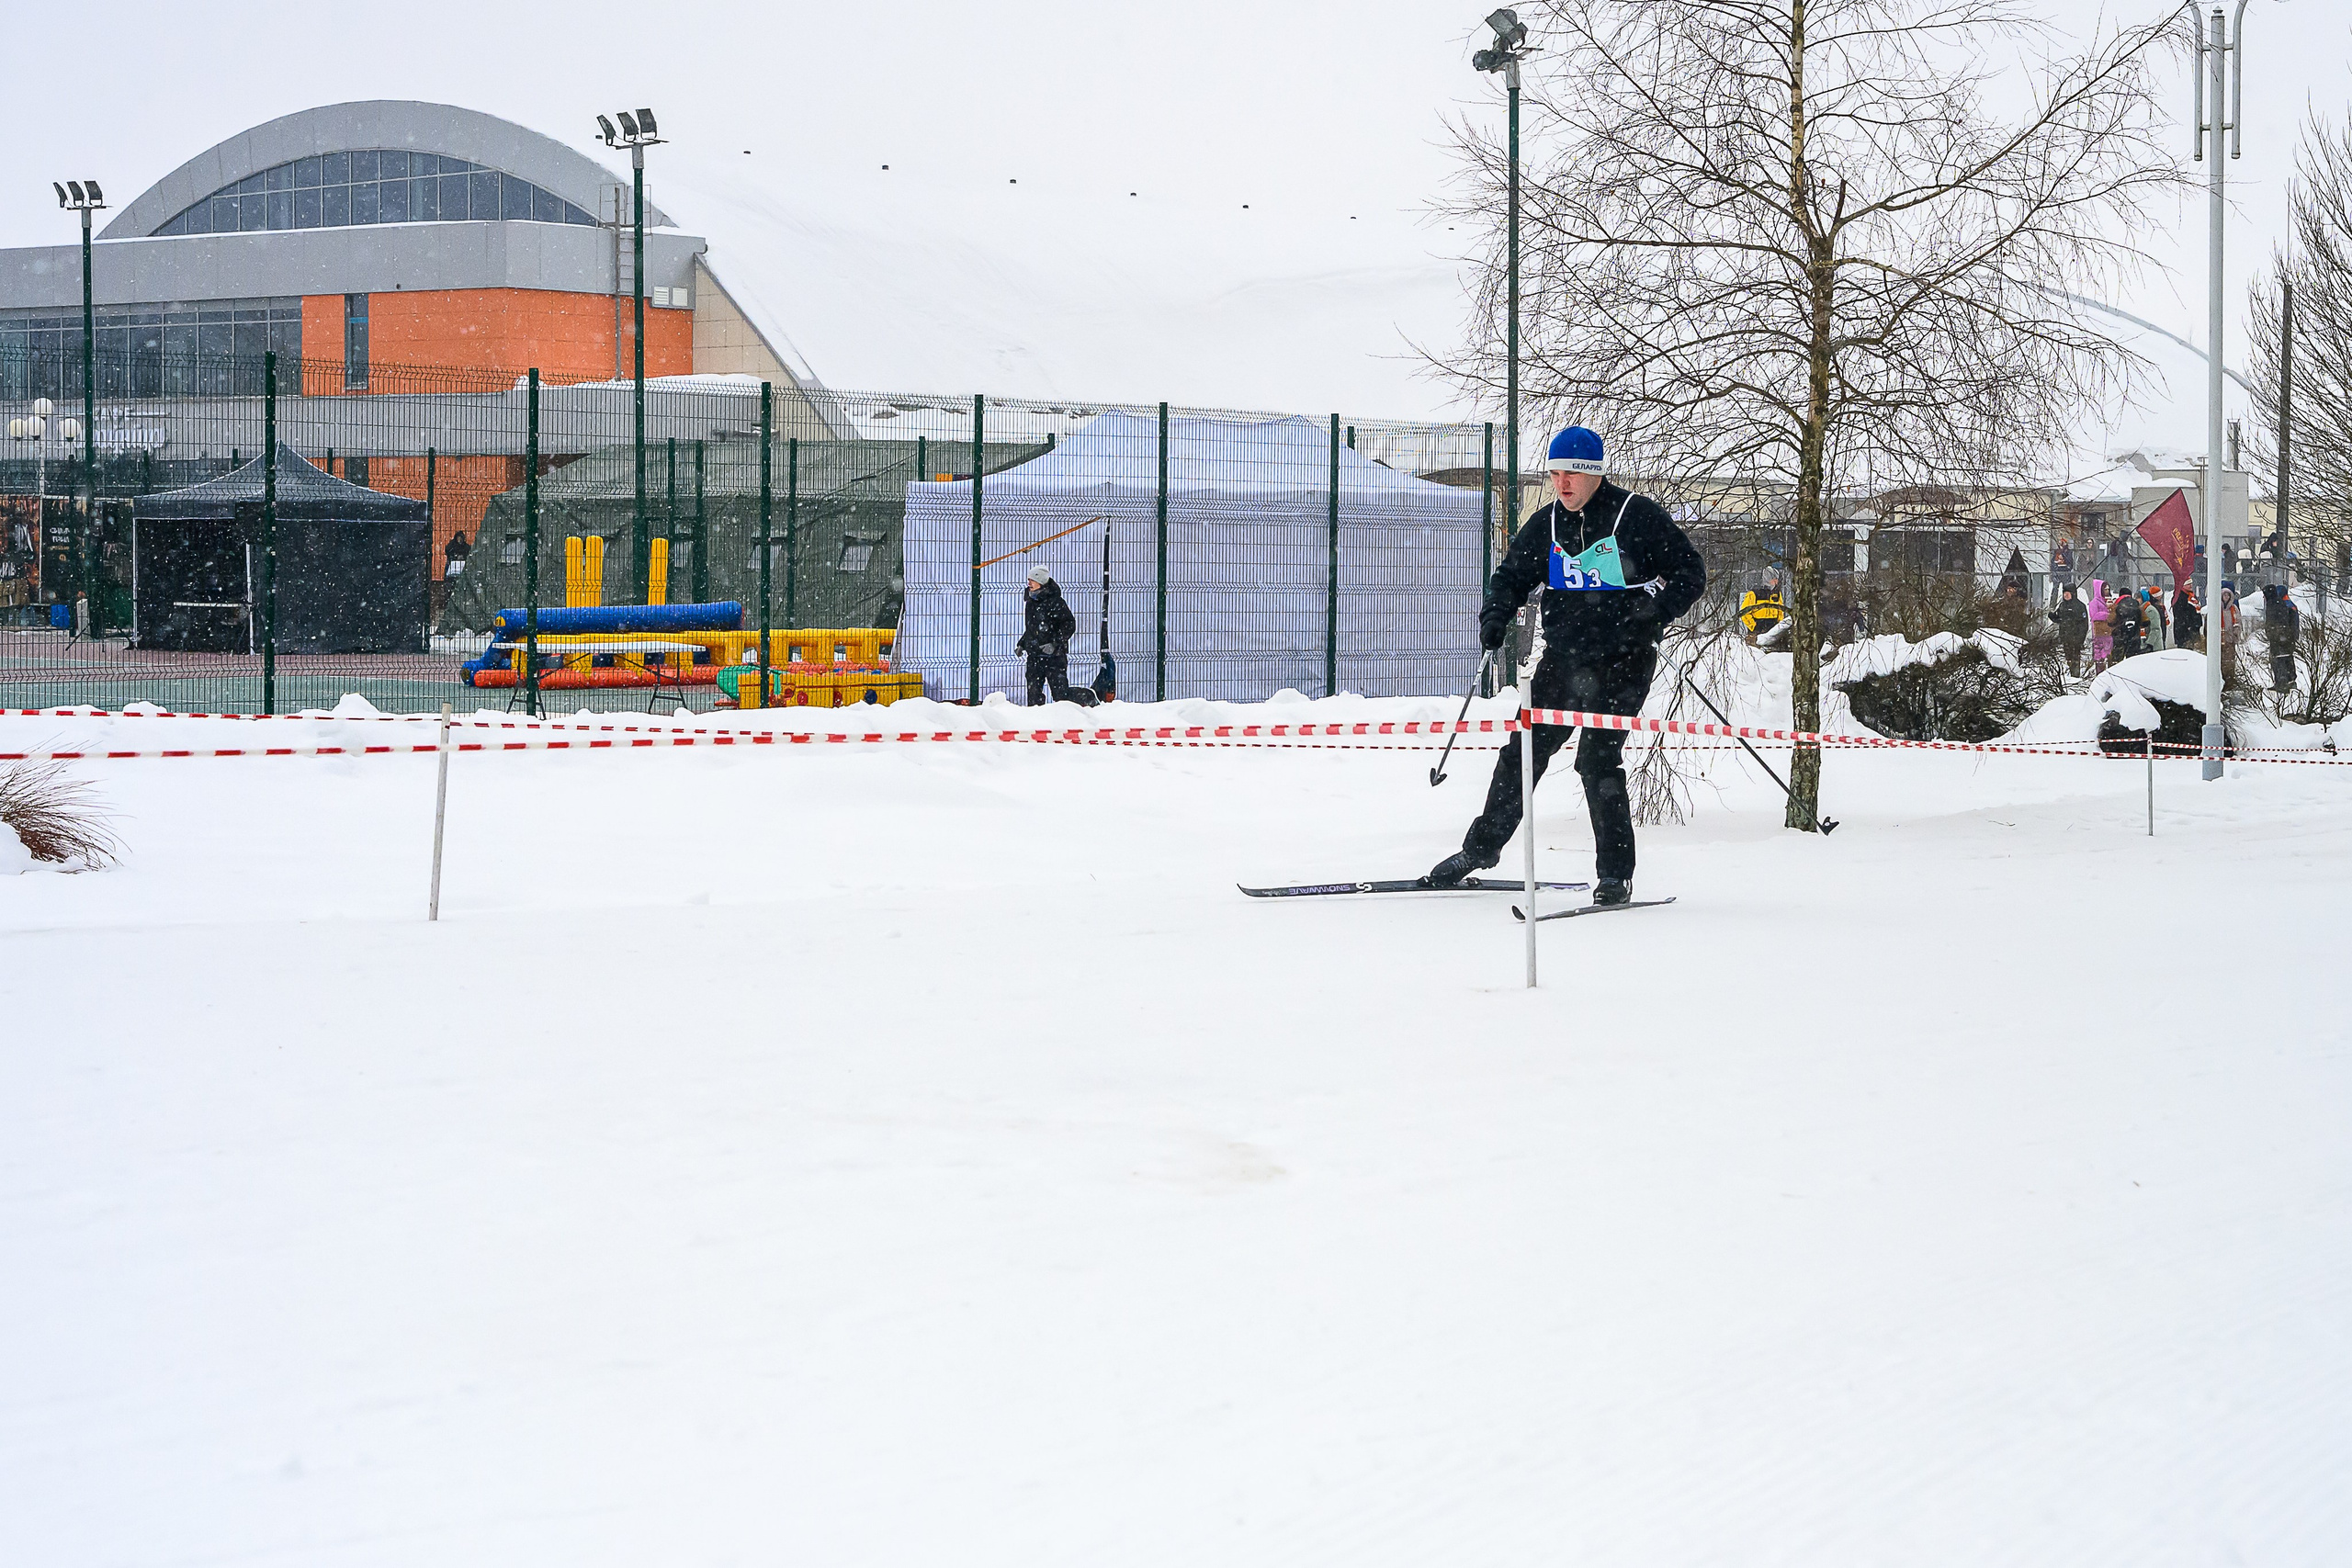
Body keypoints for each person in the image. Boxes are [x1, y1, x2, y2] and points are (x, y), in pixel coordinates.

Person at [1426, 425, 1705, 905]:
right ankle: (1480, 850)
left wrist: (1653, 614)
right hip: (1564, 658)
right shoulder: (1546, 524)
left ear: (1595, 474)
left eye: (1572, 474)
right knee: (1523, 750)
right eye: (1555, 474)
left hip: (1624, 661)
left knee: (1596, 760)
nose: (1562, 484)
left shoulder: (1634, 515)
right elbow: (1511, 576)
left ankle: (1615, 875)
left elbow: (1689, 572)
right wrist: (1496, 612)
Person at [1015, 563, 1078, 705]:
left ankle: (1064, 722)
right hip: (1035, 656)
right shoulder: (1031, 602)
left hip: (1054, 657)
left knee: (1061, 695)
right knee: (1033, 695)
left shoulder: (1056, 602)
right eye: (1028, 580)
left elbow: (1069, 625)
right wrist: (1022, 644)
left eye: (1032, 580)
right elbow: (1032, 628)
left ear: (1041, 582)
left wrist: (1054, 643)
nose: (1029, 583)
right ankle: (1035, 722)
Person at [2264, 583, 2301, 694]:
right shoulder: (2288, 604)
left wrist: (2274, 634)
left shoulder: (2280, 605)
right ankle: (2289, 680)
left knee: (2280, 659)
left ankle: (2282, 682)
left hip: (2282, 638)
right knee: (2287, 658)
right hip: (2288, 637)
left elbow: (2276, 623)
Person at [2049, 583, 2086, 677]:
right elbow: (2058, 618)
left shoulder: (2080, 606)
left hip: (2076, 637)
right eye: (2064, 593)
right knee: (2068, 657)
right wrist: (2052, 616)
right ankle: (2070, 672)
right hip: (2065, 637)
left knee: (2075, 656)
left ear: (2073, 594)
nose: (2066, 595)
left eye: (2068, 593)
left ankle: (2076, 675)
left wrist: (2081, 638)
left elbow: (2084, 625)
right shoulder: (2062, 605)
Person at [1739, 570, 1786, 643]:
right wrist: (1754, 627)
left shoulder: (1777, 594)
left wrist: (1778, 626)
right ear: (1768, 579)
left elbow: (1780, 611)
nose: (1777, 581)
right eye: (1775, 579)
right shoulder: (1754, 593)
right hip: (1757, 631)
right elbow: (1744, 612)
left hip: (1773, 630)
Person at [2109, 583, 2144, 661]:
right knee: (2132, 662)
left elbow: (2110, 622)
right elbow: (2146, 621)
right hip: (2134, 637)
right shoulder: (2137, 605)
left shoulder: (2116, 605)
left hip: (2120, 637)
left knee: (2117, 662)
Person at [2086, 579, 2115, 671]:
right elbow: (2094, 616)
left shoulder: (2107, 600)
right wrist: (2107, 615)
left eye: (2108, 589)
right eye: (2105, 589)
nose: (2107, 591)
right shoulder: (2095, 602)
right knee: (2099, 654)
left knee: (2109, 653)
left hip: (2108, 631)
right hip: (2099, 632)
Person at [2172, 581, 2203, 651]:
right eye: (2188, 584)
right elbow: (2179, 615)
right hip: (2184, 631)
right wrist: (2188, 625)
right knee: (2185, 650)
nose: (2191, 585)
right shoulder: (2179, 597)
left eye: (2191, 583)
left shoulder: (2191, 596)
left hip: (2193, 628)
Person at [2139, 586, 2167, 650]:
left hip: (2154, 642)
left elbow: (2156, 628)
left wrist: (2149, 644)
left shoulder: (2151, 608)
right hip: (2156, 640)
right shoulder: (2154, 608)